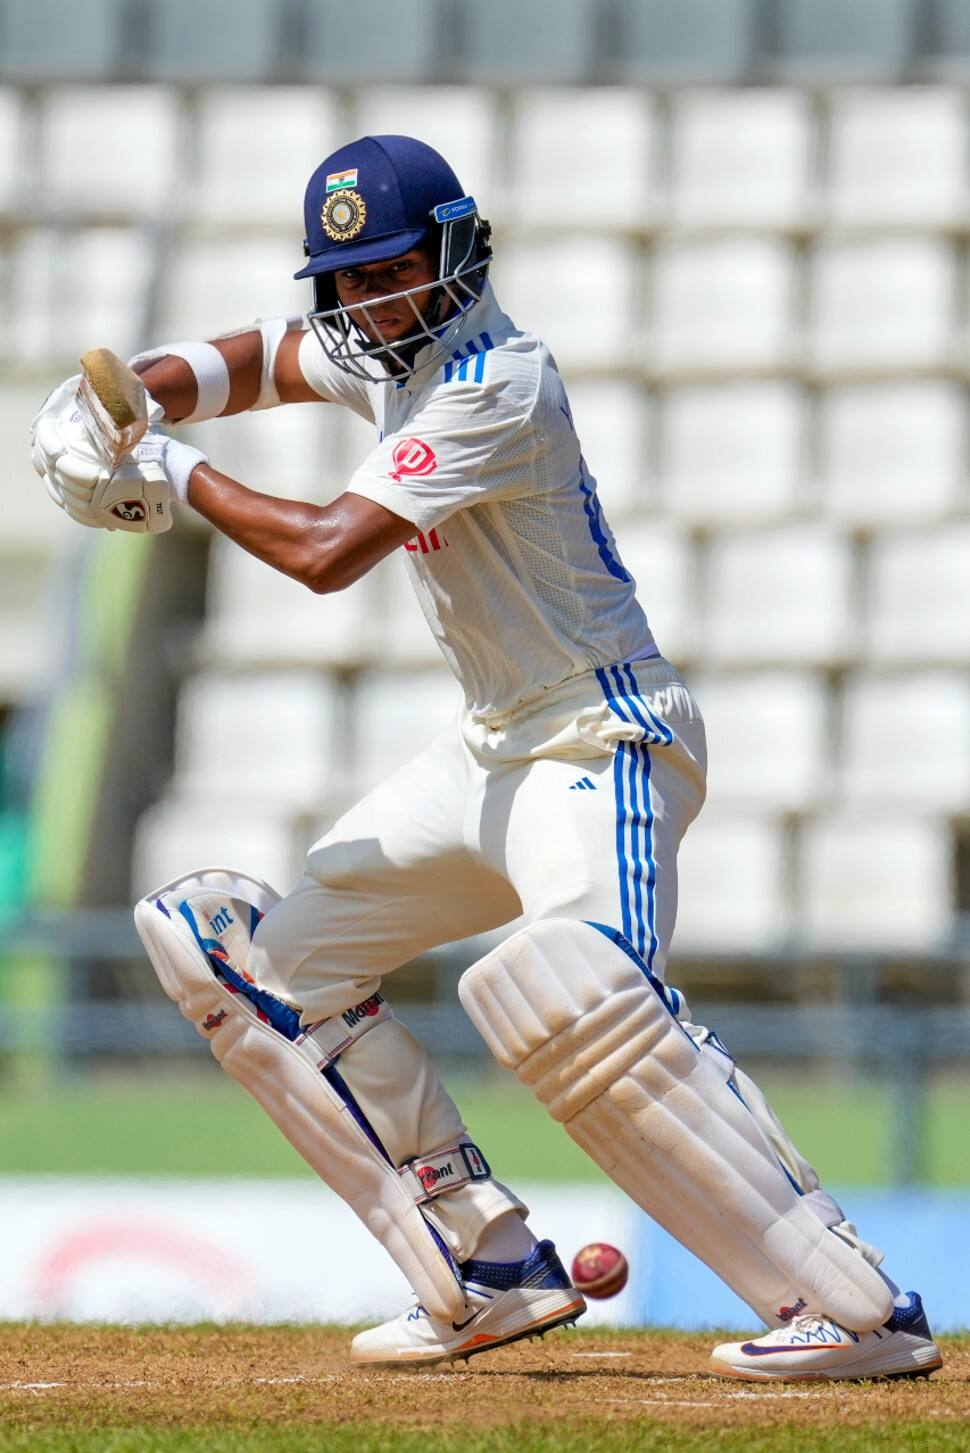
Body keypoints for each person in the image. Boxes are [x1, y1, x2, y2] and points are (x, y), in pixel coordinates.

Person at [31, 135, 942, 1380]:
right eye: (347, 280)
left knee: (570, 992)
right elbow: (258, 355)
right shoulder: (381, 344)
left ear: (455, 253)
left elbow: (324, 552)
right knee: (258, 963)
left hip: (604, 735)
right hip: (494, 749)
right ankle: (482, 1264)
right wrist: (131, 390)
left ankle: (854, 1310)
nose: (369, 301)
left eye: (393, 271)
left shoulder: (491, 380)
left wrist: (172, 470)